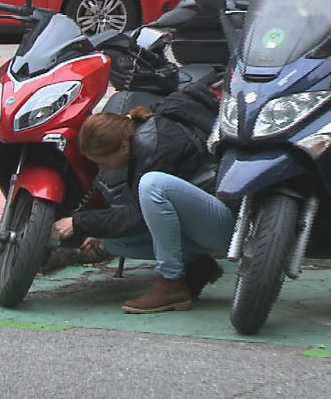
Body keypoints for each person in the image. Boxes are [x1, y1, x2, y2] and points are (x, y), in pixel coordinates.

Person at [49, 82, 233, 314]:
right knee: (114, 241)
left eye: (103, 162)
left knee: (153, 185)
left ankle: (171, 282)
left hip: (229, 226)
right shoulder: (141, 137)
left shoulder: (159, 144)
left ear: (123, 147)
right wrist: (95, 229)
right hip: (205, 222)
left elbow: (137, 217)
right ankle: (197, 266)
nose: (103, 170)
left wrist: (79, 222)